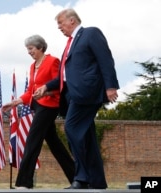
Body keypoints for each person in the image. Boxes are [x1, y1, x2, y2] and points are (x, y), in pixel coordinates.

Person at [33, 9, 119, 189]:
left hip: (86, 93)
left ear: (72, 21)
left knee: (71, 128)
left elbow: (106, 59)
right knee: (87, 137)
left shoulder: (90, 33)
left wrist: (111, 86)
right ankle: (97, 182)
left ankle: (81, 177)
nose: (59, 28)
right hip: (72, 95)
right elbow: (63, 75)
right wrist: (47, 87)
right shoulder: (69, 44)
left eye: (61, 23)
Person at [2, 34, 74, 189]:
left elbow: (60, 85)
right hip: (37, 105)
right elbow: (30, 91)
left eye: (31, 48)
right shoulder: (32, 66)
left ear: (40, 47)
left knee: (32, 140)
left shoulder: (52, 61)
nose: (29, 52)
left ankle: (24, 182)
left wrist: (46, 93)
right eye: (28, 49)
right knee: (55, 144)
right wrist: (15, 102)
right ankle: (76, 177)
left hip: (49, 106)